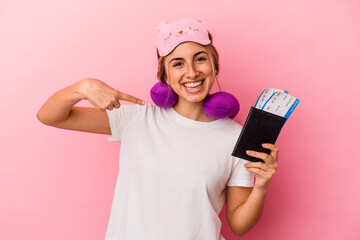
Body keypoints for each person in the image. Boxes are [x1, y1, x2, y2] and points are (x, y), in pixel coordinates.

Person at [37, 17, 279, 240]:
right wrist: (83, 87)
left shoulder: (236, 137)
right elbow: (50, 116)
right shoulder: (137, 119)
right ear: (165, 75)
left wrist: (261, 186)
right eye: (178, 63)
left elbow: (238, 225)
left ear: (215, 66)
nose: (192, 72)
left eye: (200, 58)